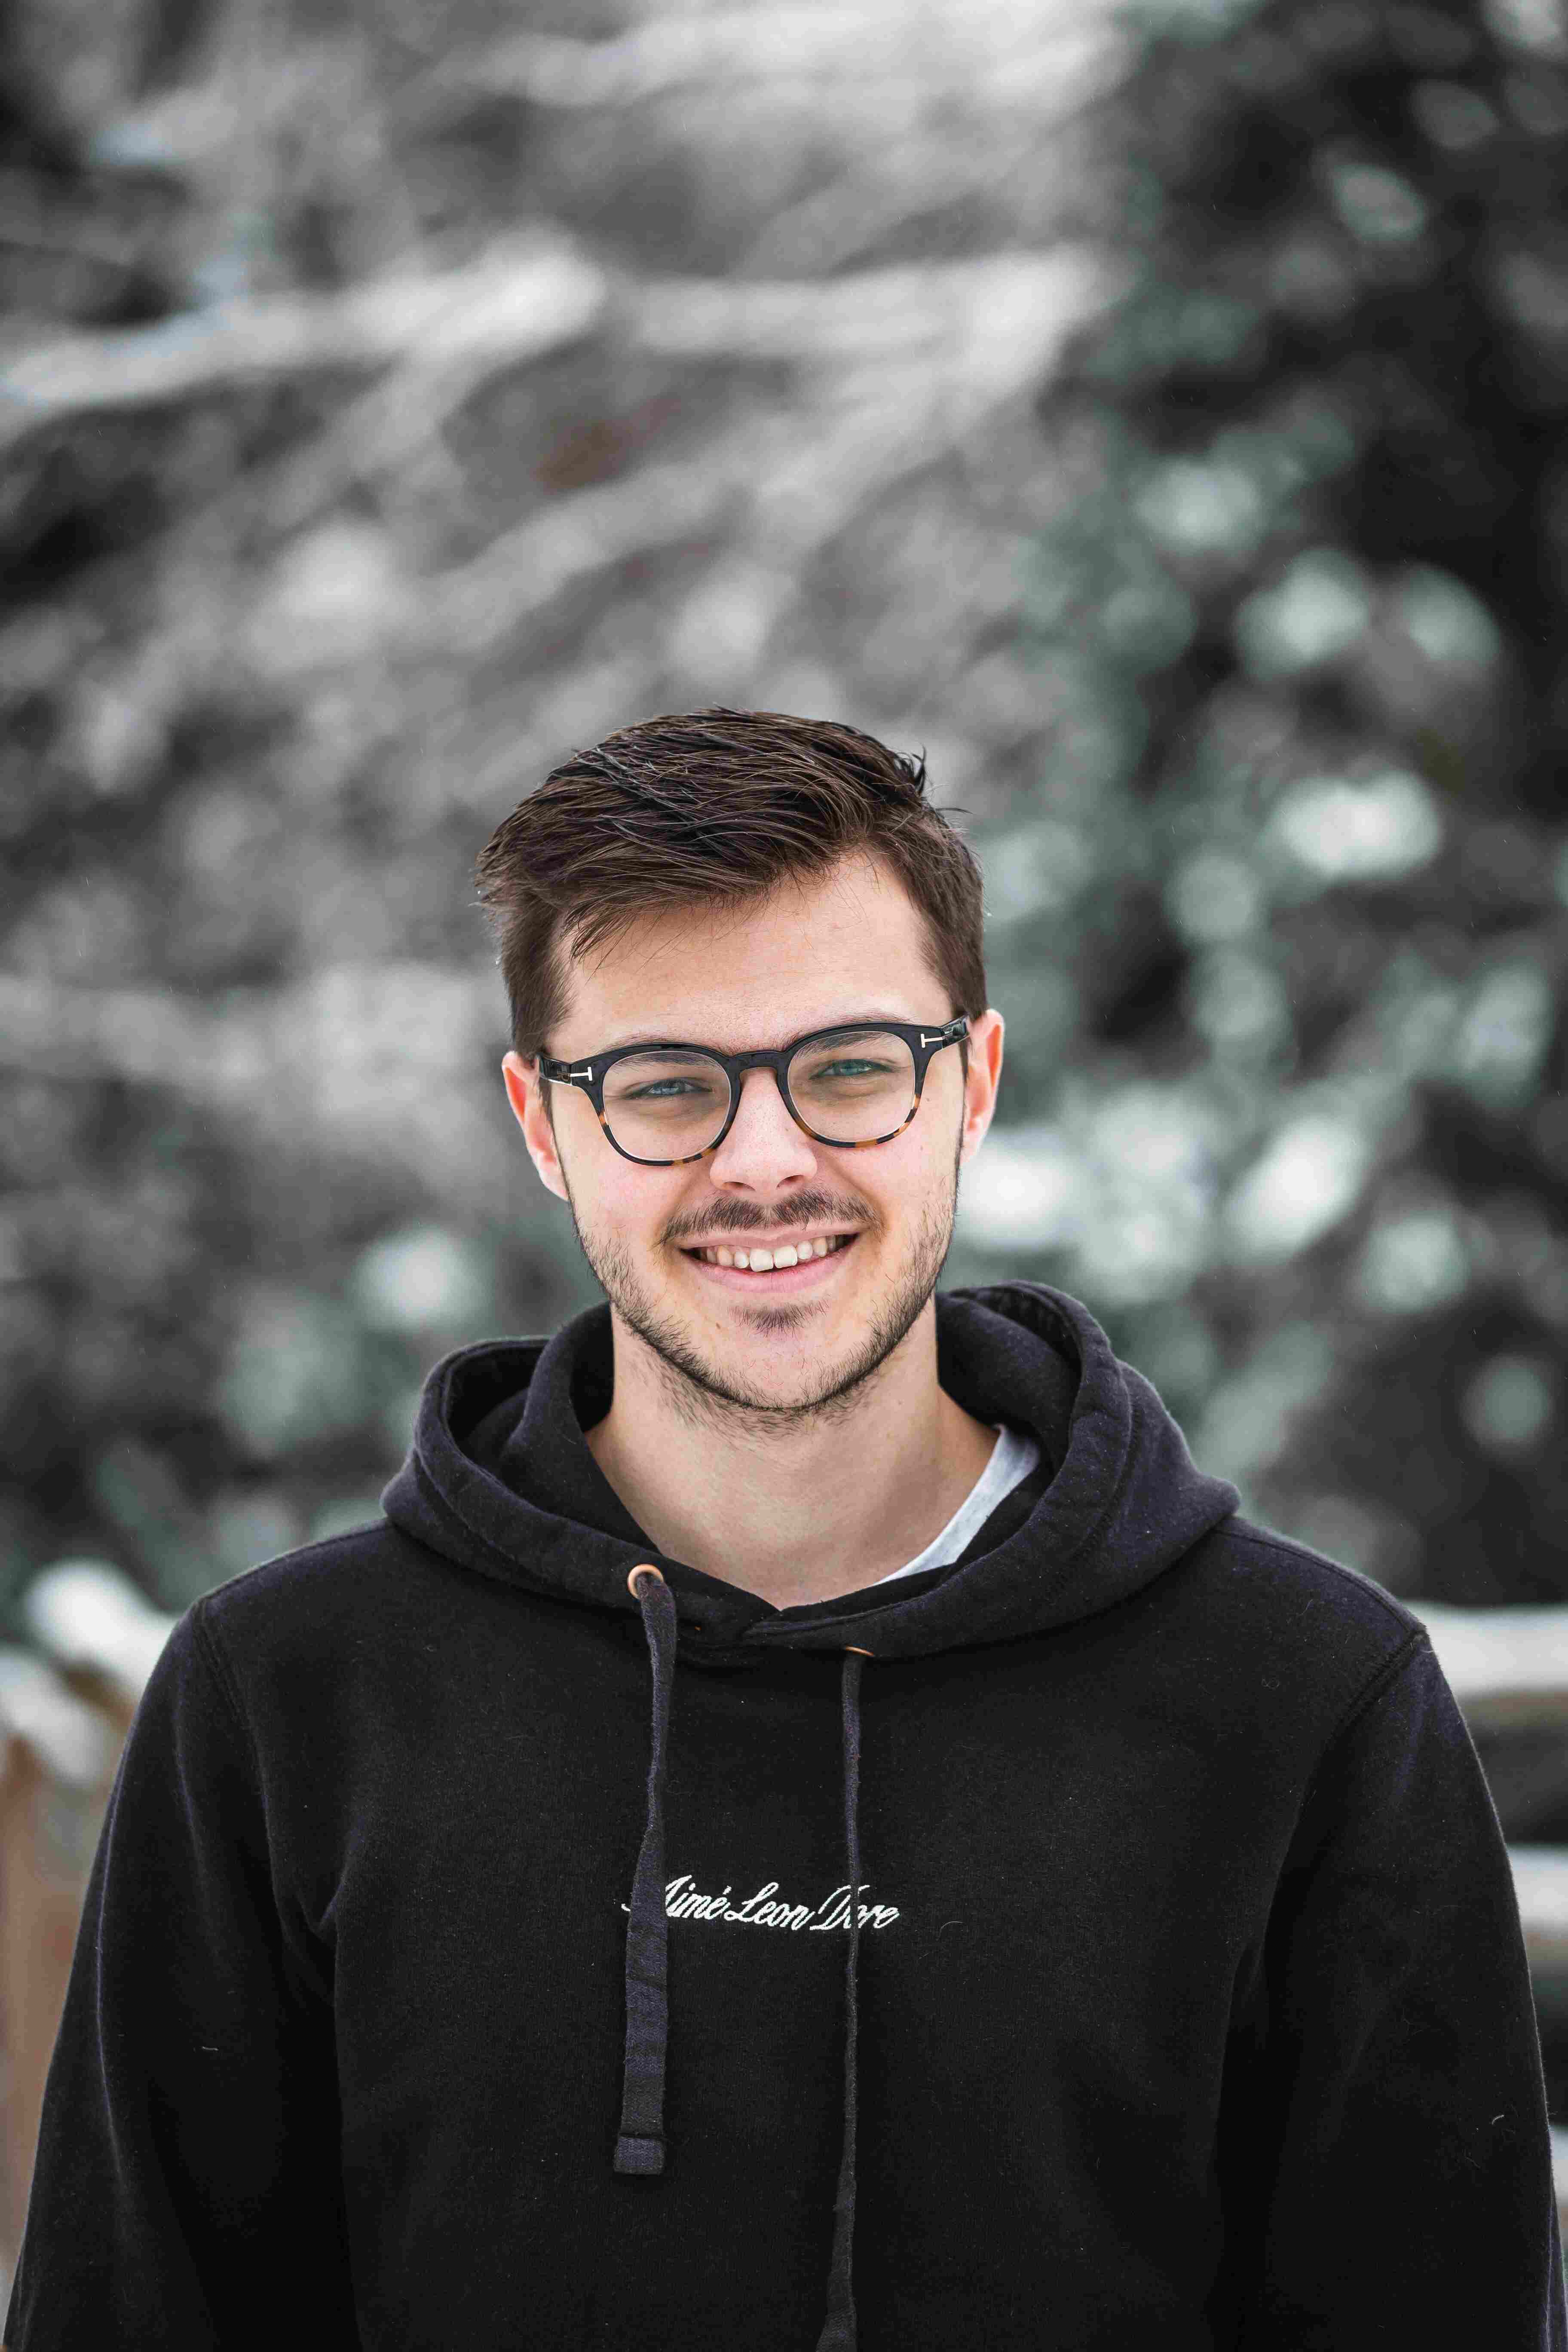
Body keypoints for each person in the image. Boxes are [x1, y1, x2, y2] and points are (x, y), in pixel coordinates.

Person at [6, 708, 1564, 2352]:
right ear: (542, 1124)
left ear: (973, 1083)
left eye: (850, 1070)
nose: (765, 1163)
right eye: (666, 1086)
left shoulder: (1306, 1704)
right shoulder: (284, 1705)